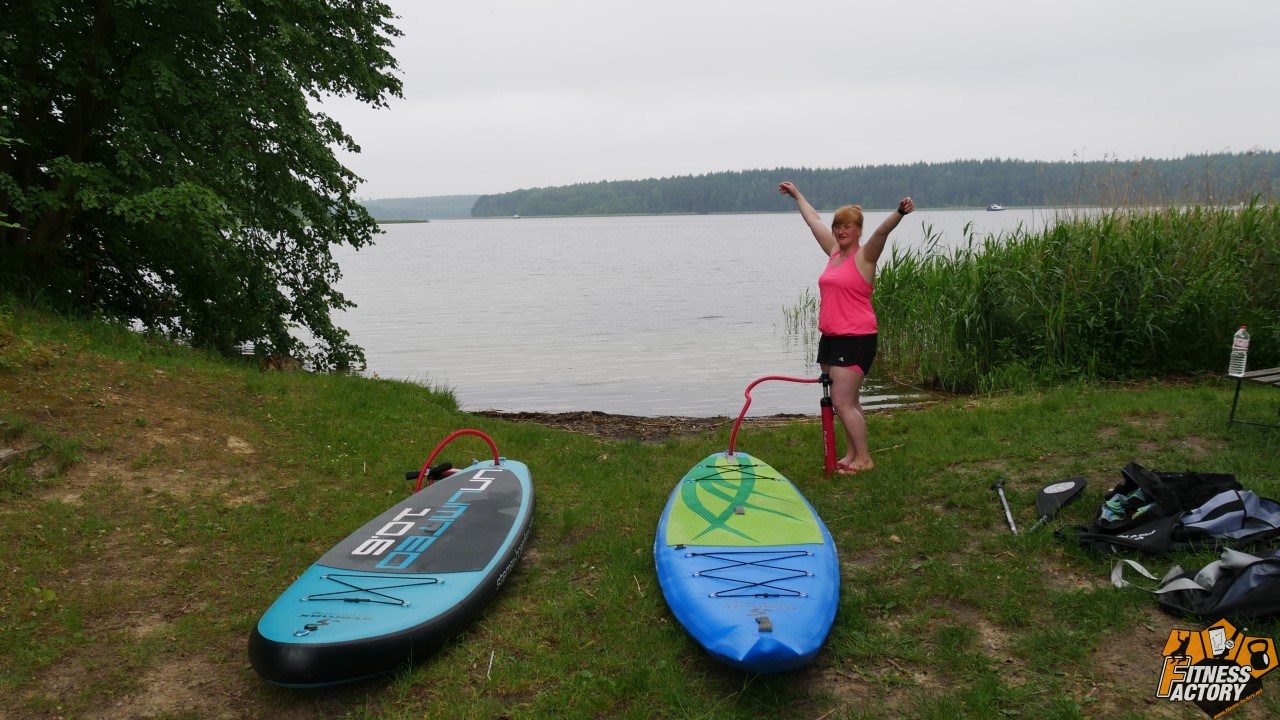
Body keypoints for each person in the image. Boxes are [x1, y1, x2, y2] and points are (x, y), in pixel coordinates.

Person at [778, 181, 914, 475]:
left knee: (841, 401)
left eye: (847, 228)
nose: (840, 232)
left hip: (857, 338)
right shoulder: (833, 253)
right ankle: (853, 455)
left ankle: (864, 459)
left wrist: (899, 212)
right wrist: (798, 195)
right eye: (838, 227)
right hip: (831, 338)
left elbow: (882, 232)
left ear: (858, 231)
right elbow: (813, 219)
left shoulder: (865, 258)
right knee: (849, 401)